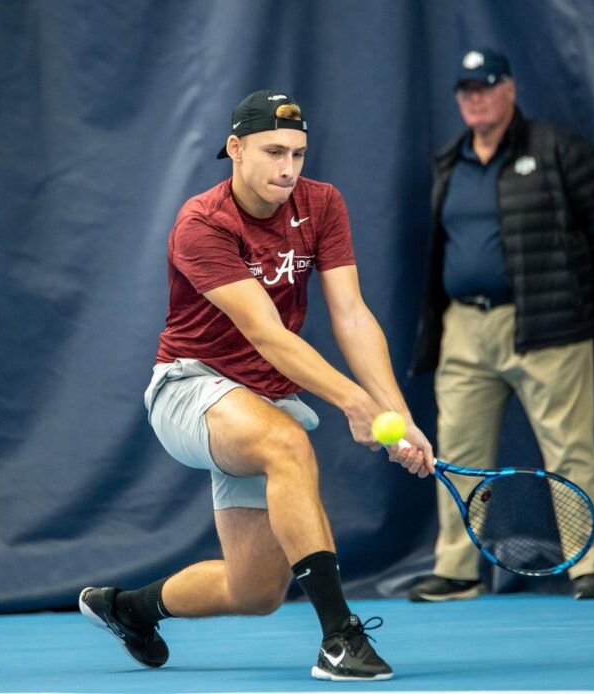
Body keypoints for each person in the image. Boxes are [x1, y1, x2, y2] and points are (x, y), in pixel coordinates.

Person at [79, 89, 435, 681]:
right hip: (189, 387)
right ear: (235, 149)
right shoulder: (202, 222)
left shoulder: (321, 205)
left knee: (256, 590)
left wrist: (396, 414)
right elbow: (266, 333)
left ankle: (130, 609)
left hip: (263, 398)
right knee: (287, 442)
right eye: (274, 152)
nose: (289, 168)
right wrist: (353, 402)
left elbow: (351, 315)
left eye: (297, 153)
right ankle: (339, 640)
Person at [408, 49, 594, 602]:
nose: (475, 98)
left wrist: (566, 296)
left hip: (546, 328)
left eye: (486, 86)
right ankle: (457, 570)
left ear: (510, 89)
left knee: (571, 448)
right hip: (463, 330)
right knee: (455, 452)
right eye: (466, 90)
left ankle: (592, 567)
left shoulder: (558, 151)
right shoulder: (448, 162)